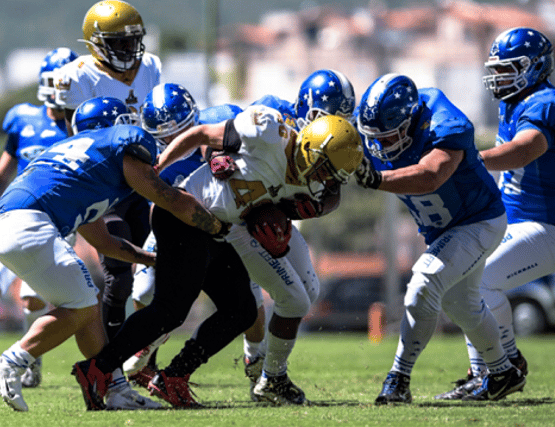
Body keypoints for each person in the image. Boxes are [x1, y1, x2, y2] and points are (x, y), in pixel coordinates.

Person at [72, 105, 364, 409]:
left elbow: (321, 198)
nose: (326, 179)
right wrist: (159, 167)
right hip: (185, 215)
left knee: (242, 310)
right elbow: (200, 134)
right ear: (307, 150)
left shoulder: (311, 178)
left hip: (222, 229)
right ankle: (98, 369)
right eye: (325, 169)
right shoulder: (266, 132)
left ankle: (173, 378)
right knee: (170, 310)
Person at [0, 96, 229, 412]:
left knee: (84, 305)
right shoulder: (123, 143)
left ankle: (115, 390)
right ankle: (10, 362)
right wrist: (217, 227)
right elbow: (168, 197)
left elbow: (106, 243)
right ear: (120, 125)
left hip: (8, 224)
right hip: (30, 222)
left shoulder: (79, 168)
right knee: (82, 306)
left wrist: (151, 259)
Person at [435, 27, 555, 400]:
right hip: (521, 222)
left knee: (478, 281)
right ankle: (491, 369)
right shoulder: (512, 102)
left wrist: (468, 162)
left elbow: (524, 150)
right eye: (497, 69)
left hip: (554, 226)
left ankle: (500, 369)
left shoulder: (547, 102)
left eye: (507, 69)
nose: (499, 77)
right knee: (458, 280)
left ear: (534, 67)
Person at [355, 73, 525, 403]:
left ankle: (398, 380)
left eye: (388, 138)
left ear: (411, 121)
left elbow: (432, 176)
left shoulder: (446, 123)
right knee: (460, 303)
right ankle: (503, 372)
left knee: (423, 283)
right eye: (374, 138)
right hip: (444, 230)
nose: (380, 146)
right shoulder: (374, 128)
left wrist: (377, 179)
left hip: (478, 221)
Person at [0, 47, 77, 389]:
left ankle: (31, 363)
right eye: (57, 81)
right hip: (15, 216)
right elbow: (1, 172)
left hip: (56, 222)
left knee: (31, 298)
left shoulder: (81, 125)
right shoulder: (23, 116)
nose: (60, 89)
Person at [240, 68, 357, 400]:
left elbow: (334, 190)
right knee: (288, 298)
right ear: (306, 107)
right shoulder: (271, 115)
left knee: (309, 289)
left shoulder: (332, 139)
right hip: (245, 217)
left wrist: (317, 208)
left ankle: (264, 366)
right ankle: (267, 373)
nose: (333, 127)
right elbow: (228, 150)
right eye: (327, 117)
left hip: (277, 221)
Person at [121, 83, 246, 386]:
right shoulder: (144, 153)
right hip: (175, 226)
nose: (173, 140)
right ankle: (147, 359)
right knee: (143, 292)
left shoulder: (218, 122)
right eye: (165, 135)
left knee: (248, 305)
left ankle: (260, 368)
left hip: (227, 227)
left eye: (180, 131)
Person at [54, 0, 161, 345]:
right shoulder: (78, 75)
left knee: (158, 272)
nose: (129, 49)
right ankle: (110, 360)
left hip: (143, 182)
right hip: (105, 187)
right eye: (118, 42)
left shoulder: (151, 67)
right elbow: (76, 137)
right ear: (96, 42)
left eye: (133, 40)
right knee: (119, 274)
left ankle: (142, 359)